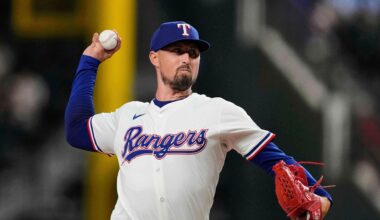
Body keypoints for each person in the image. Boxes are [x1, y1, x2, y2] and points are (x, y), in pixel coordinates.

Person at [65, 21, 332, 220]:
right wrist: (89, 61)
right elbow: (76, 130)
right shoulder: (128, 116)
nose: (186, 58)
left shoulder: (217, 111)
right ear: (154, 57)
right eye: (177, 50)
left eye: (193, 53)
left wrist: (322, 197)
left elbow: (275, 161)